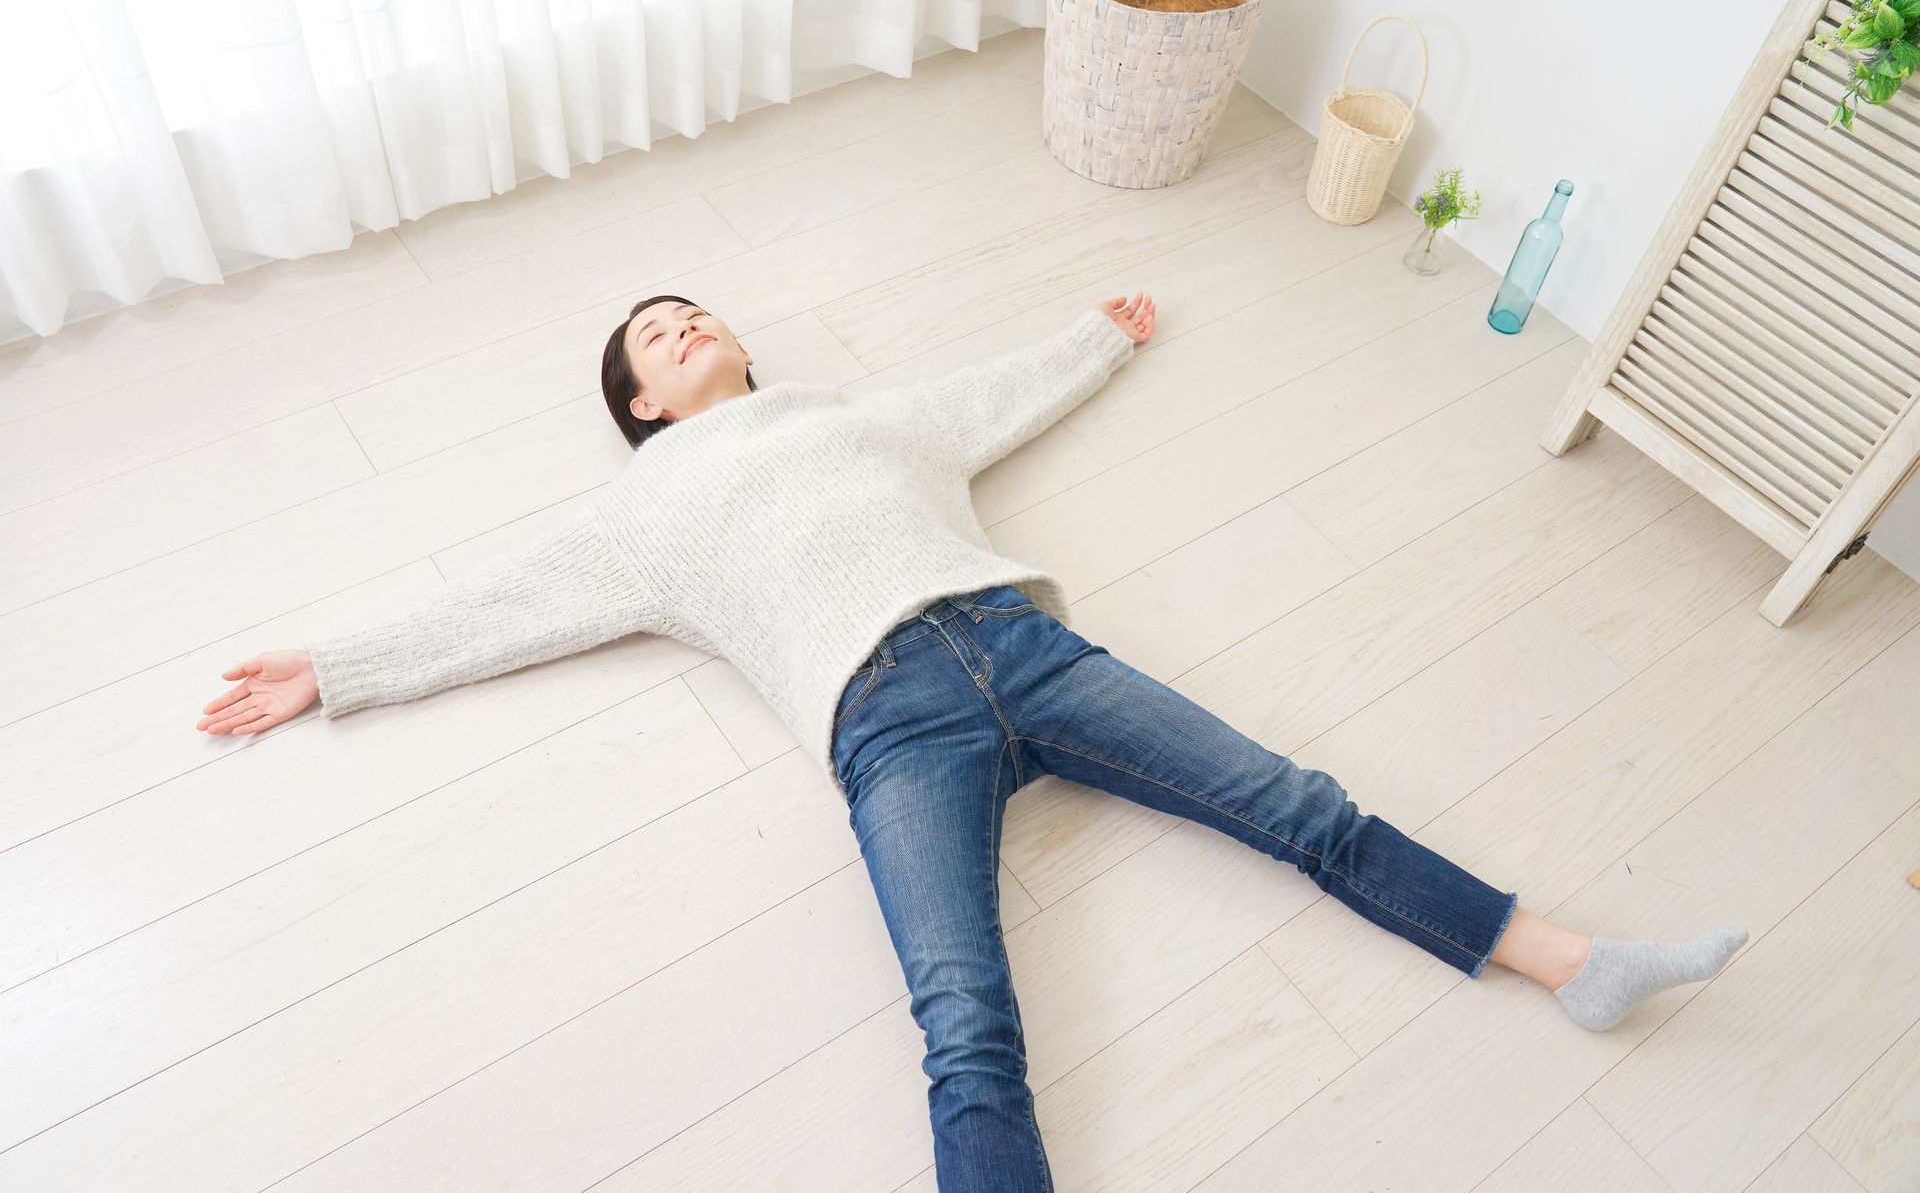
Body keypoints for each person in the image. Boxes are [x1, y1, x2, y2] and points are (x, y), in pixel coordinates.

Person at [197, 291, 1748, 1191]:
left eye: (693, 311)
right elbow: (502, 604)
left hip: (1029, 647)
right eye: (654, 341)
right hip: (886, 729)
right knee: (965, 1021)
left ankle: (1573, 963)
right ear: (644, 408)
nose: (683, 328)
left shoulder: (854, 416)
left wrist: (1099, 337)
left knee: (1298, 803)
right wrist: (336, 667)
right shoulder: (644, 512)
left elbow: (999, 393)